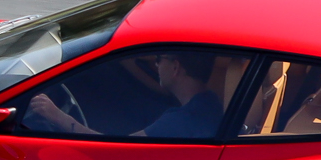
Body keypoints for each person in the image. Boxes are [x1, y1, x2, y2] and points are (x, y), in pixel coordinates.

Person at [26, 49, 223, 139]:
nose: (155, 64)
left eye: (159, 58)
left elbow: (112, 150)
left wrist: (57, 116)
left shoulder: (179, 122)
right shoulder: (210, 103)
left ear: (175, 67)